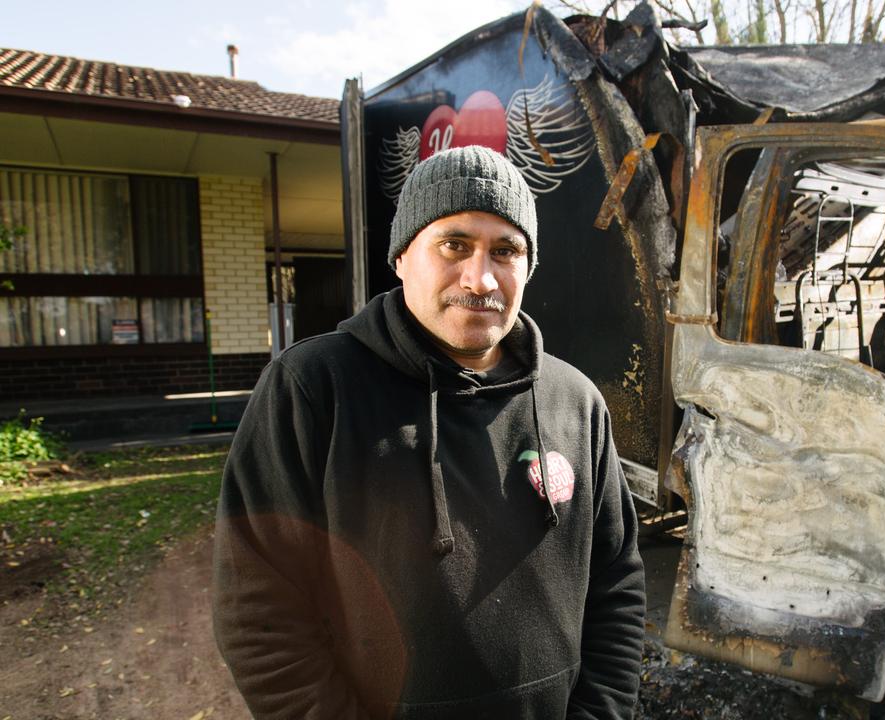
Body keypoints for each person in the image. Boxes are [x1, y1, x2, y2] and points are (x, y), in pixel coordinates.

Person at [212, 145, 646, 720]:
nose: (481, 276)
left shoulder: (575, 402)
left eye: (506, 250)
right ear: (401, 256)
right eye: (454, 244)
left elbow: (616, 584)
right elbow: (258, 609)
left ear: (528, 267)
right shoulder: (314, 389)